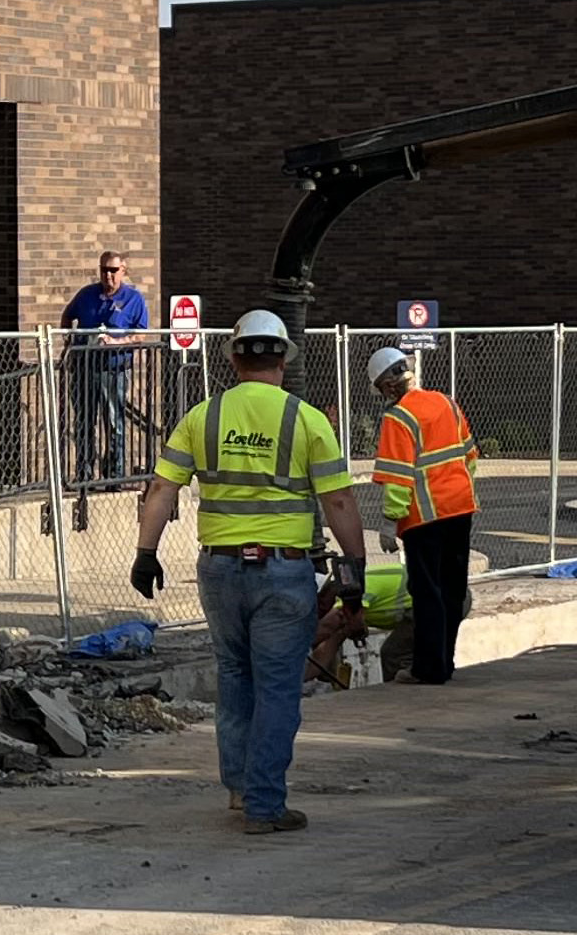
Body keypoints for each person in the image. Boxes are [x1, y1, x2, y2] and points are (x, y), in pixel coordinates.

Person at [133, 309, 368, 835]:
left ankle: (240, 788)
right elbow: (340, 501)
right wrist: (354, 567)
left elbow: (162, 490)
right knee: (279, 687)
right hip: (282, 574)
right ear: (284, 358)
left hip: (219, 572)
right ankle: (265, 804)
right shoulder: (307, 420)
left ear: (235, 358)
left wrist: (146, 551)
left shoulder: (202, 417)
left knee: (235, 677)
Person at [364, 346, 480, 683]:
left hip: (424, 520)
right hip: (461, 509)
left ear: (387, 386)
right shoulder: (446, 402)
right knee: (452, 589)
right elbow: (469, 455)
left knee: (426, 592)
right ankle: (445, 661)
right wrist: (460, 492)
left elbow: (399, 479)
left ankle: (429, 669)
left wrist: (389, 523)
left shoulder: (398, 418)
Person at [58, 251, 154, 481]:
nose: (108, 275)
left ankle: (114, 475)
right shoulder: (87, 295)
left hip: (114, 369)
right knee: (84, 421)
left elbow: (141, 335)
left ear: (123, 270)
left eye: (113, 270)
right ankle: (85, 474)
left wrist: (117, 341)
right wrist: (70, 339)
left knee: (113, 422)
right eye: (104, 270)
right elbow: (67, 316)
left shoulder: (133, 298)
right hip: (84, 368)